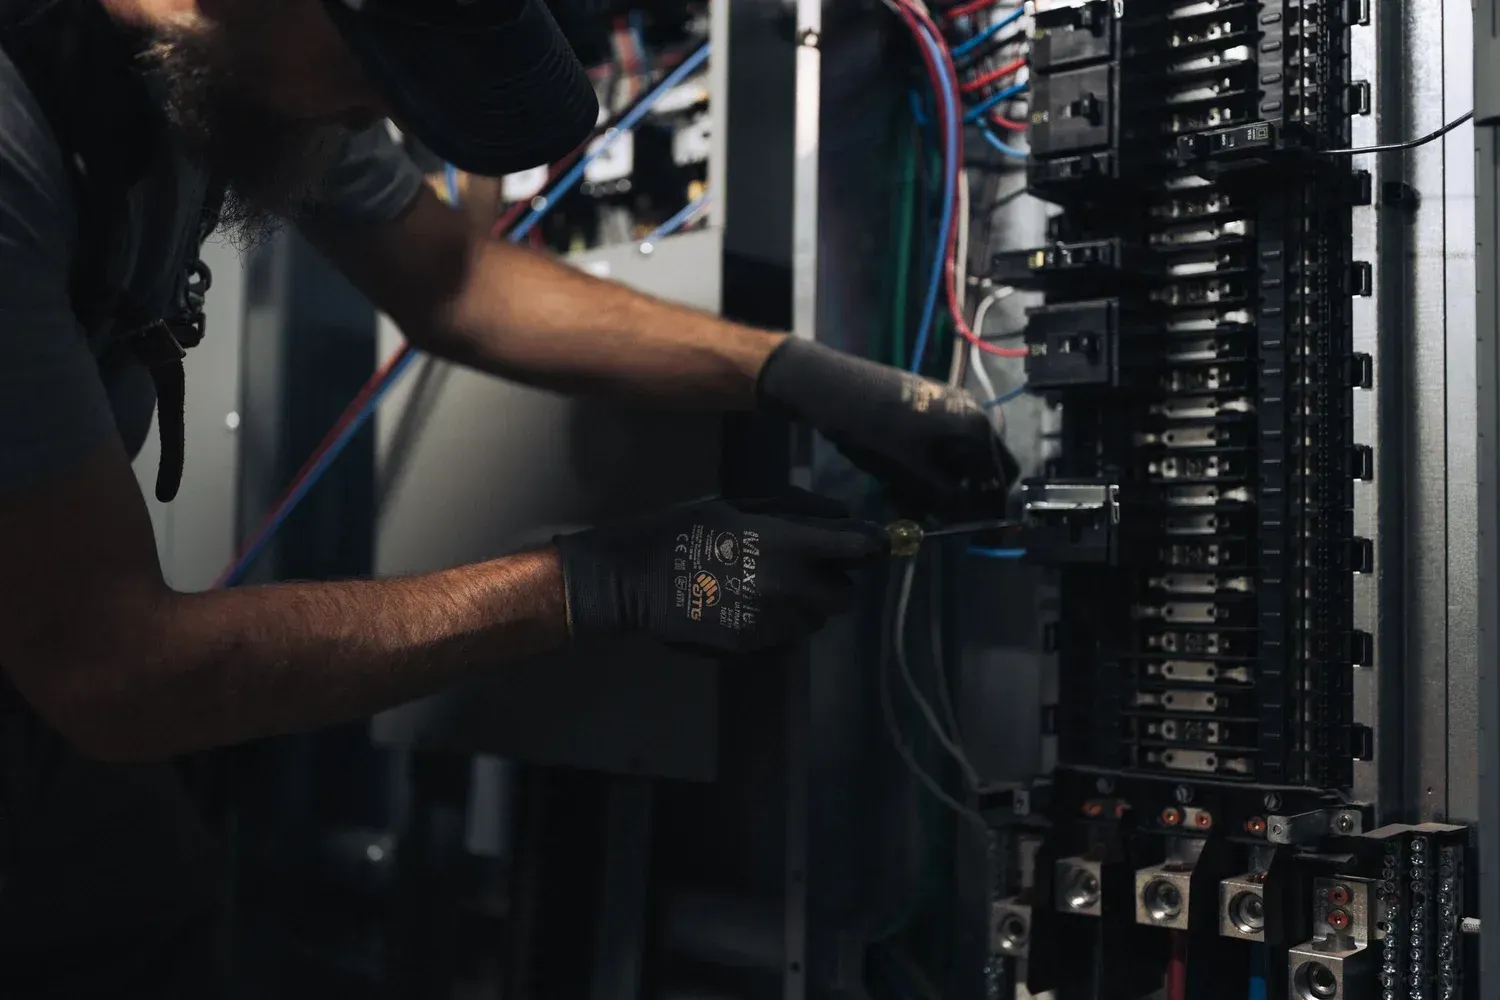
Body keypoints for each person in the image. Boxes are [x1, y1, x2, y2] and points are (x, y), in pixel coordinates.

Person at [0, 0, 1016, 993]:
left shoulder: (269, 53)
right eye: (378, 68)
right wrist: (591, 583)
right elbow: (114, 667)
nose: (377, 115)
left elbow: (454, 284)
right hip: (63, 672)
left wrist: (796, 373)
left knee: (153, 908)